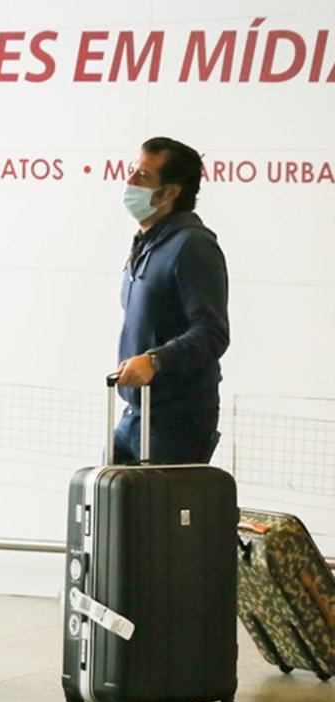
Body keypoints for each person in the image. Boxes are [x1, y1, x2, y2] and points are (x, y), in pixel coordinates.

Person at [114, 137, 229, 463]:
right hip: (134, 414)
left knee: (156, 513)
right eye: (132, 170)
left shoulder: (192, 246)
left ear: (169, 193)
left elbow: (212, 333)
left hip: (175, 423)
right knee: (110, 507)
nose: (129, 181)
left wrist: (155, 361)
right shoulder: (147, 242)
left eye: (142, 176)